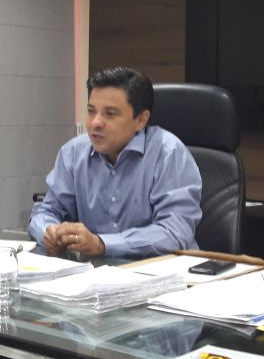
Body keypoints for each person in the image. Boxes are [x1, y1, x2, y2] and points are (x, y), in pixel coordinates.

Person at [28, 67, 202, 258]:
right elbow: (46, 210)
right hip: (95, 272)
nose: (95, 123)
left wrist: (102, 244)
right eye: (91, 111)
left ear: (141, 120)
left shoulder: (169, 153)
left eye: (110, 114)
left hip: (161, 270)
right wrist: (49, 233)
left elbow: (175, 232)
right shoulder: (73, 152)